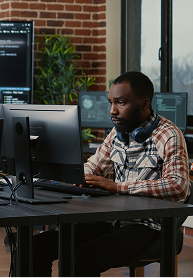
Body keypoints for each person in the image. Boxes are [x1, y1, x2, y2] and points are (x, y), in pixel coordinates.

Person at [31, 71, 191, 277]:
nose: (112, 111)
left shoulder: (169, 134)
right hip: (111, 220)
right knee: (35, 245)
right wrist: (76, 178)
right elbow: (92, 168)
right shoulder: (117, 134)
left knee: (82, 258)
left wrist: (117, 187)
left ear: (144, 104)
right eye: (110, 103)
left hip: (149, 227)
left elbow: (179, 186)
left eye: (120, 103)